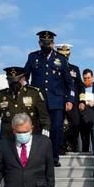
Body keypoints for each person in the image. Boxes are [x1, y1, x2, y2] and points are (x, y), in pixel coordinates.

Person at [24, 30, 74, 167]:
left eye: (48, 43)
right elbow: (25, 77)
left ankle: (53, 158)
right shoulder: (33, 57)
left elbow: (69, 82)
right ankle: (38, 158)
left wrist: (70, 99)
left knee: (56, 129)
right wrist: (27, 92)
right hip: (38, 101)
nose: (46, 45)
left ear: (53, 43)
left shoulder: (61, 59)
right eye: (43, 42)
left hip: (56, 101)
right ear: (39, 43)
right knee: (38, 129)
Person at [0, 66, 50, 154]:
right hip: (7, 142)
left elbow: (45, 119)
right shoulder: (1, 95)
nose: (14, 83)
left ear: (23, 79)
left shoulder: (34, 93)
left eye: (17, 81)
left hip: (30, 141)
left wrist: (43, 139)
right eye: (11, 81)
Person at [55, 43, 84, 152]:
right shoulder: (54, 69)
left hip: (73, 101)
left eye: (66, 55)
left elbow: (80, 86)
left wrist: (82, 101)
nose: (65, 58)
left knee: (76, 123)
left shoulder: (74, 69)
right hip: (59, 100)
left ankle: (72, 144)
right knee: (59, 124)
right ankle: (61, 147)